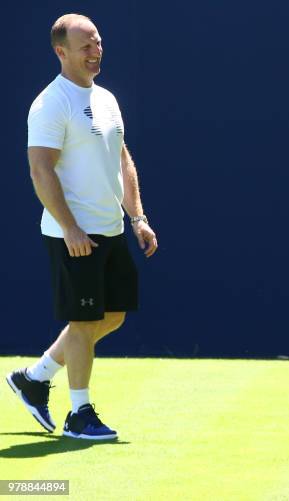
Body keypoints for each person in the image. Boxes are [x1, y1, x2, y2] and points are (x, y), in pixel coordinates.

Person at [6, 13, 157, 440]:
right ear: (61, 52)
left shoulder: (107, 98)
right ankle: (79, 414)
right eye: (85, 46)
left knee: (110, 316)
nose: (96, 52)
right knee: (83, 319)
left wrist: (138, 217)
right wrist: (69, 226)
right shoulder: (51, 103)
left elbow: (122, 158)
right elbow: (40, 170)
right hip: (73, 236)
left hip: (110, 229)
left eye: (98, 42)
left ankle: (34, 378)